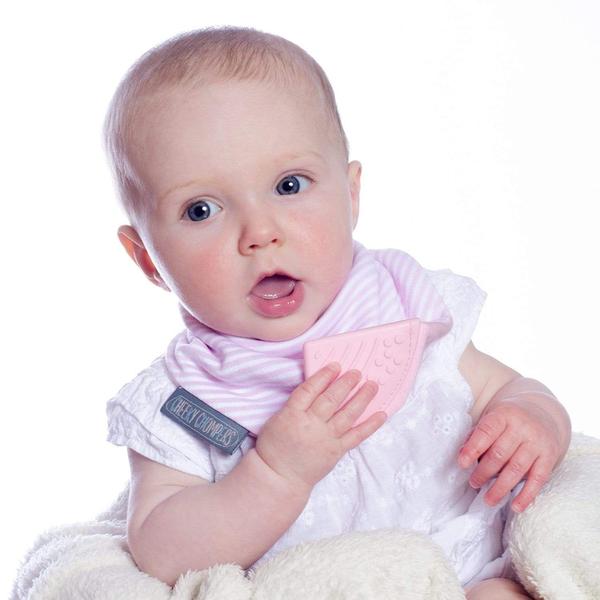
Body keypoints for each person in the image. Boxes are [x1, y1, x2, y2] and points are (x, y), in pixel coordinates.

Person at [103, 26, 571, 598]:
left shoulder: (404, 305)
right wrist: (275, 472)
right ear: (146, 258)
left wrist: (533, 418)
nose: (260, 232)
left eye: (289, 185)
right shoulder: (185, 399)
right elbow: (160, 551)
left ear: (351, 195)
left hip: (468, 571)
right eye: (201, 210)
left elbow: (509, 389)